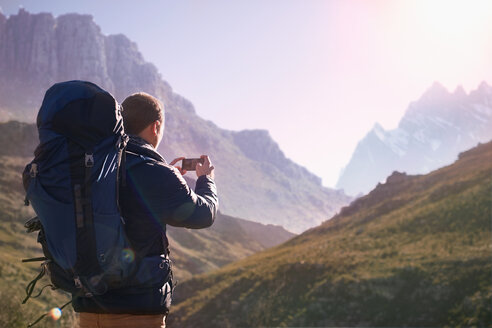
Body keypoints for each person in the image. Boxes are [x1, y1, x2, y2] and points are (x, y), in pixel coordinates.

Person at [75, 92, 218, 328]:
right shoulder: (156, 173)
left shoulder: (95, 166)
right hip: (138, 313)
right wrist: (206, 180)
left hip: (89, 311)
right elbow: (204, 214)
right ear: (156, 126)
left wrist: (166, 175)